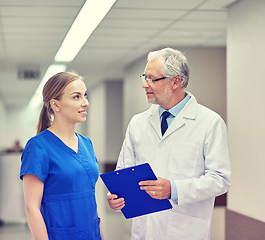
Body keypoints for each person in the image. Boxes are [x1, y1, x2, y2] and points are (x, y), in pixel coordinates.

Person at [107, 48, 231, 240]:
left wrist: (173, 189)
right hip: (144, 230)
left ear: (175, 81)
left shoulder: (210, 123)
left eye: (152, 79)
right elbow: (123, 172)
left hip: (184, 231)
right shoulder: (138, 123)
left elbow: (220, 180)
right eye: (144, 77)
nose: (144, 85)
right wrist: (117, 197)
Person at [20, 72, 103, 240]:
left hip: (91, 233)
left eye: (85, 95)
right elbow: (31, 208)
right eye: (76, 97)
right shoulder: (38, 147)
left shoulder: (87, 144)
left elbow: (90, 196)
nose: (85, 103)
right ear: (55, 105)